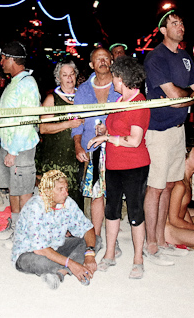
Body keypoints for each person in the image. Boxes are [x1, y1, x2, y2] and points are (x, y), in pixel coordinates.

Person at [143, 10, 194, 266]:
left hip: (178, 130)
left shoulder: (186, 57)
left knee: (169, 185)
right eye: (174, 23)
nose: (180, 26)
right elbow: (174, 95)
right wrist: (182, 98)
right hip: (158, 131)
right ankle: (150, 245)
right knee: (155, 188)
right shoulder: (156, 57)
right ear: (163, 31)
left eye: (182, 22)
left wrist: (182, 97)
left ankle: (162, 240)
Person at [87, 56, 151, 279]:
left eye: (114, 76)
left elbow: (134, 140)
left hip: (135, 165)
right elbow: (113, 128)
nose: (112, 80)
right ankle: (110, 254)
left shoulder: (139, 103)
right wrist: (103, 130)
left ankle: (138, 260)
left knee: (135, 211)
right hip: (113, 163)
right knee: (111, 209)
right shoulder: (118, 100)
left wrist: (108, 139)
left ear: (122, 78)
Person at [12, 169, 100, 289]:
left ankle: (61, 273)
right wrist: (72, 263)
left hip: (56, 248)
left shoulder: (67, 203)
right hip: (31, 253)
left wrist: (89, 254)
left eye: (66, 188)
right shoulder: (35, 207)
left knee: (96, 240)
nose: (66, 193)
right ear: (48, 191)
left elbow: (87, 228)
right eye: (60, 189)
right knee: (36, 262)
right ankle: (69, 268)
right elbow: (41, 249)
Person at [0, 41, 41, 246]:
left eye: (3, 59)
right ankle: (16, 227)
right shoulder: (14, 82)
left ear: (12, 60)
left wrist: (13, 151)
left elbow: (26, 122)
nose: (1, 62)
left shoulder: (28, 84)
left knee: (24, 191)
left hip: (20, 147)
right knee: (13, 188)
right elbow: (12, 115)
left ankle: (25, 234)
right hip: (9, 144)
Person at [72, 47, 119, 244]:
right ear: (91, 64)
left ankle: (113, 238)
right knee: (96, 194)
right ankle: (97, 237)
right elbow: (77, 122)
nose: (102, 62)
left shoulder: (120, 86)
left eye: (106, 58)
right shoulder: (83, 90)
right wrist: (78, 146)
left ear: (112, 62)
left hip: (117, 147)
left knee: (116, 193)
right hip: (92, 150)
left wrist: (110, 131)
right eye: (98, 59)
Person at [36, 60, 83, 209]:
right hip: (55, 157)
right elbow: (43, 128)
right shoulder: (51, 99)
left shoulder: (82, 98)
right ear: (58, 78)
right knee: (54, 197)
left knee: (75, 195)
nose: (69, 78)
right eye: (65, 75)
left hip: (77, 157)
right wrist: (68, 124)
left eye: (72, 74)